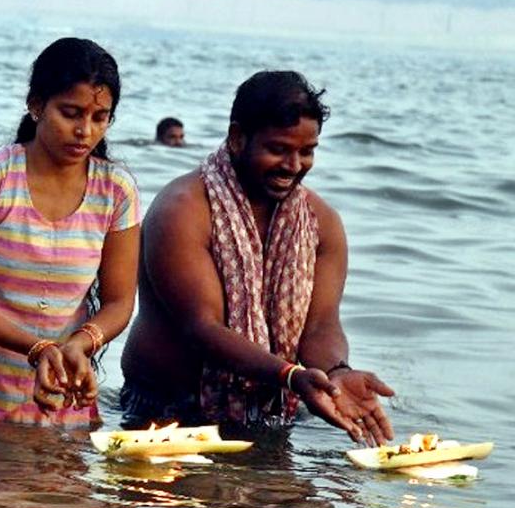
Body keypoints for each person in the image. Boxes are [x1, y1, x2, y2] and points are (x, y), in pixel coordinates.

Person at [120, 70, 395, 445]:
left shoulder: (322, 223)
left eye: (307, 151)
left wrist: (335, 373)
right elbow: (202, 327)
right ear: (237, 138)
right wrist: (290, 376)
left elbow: (320, 327)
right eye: (278, 149)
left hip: (269, 414)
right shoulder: (182, 208)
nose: (293, 165)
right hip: (163, 411)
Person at [0, 37, 141, 426]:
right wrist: (37, 348)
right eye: (71, 113)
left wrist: (78, 345)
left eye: (100, 117)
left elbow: (120, 303)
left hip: (60, 397)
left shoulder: (116, 190)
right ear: (36, 105)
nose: (84, 131)